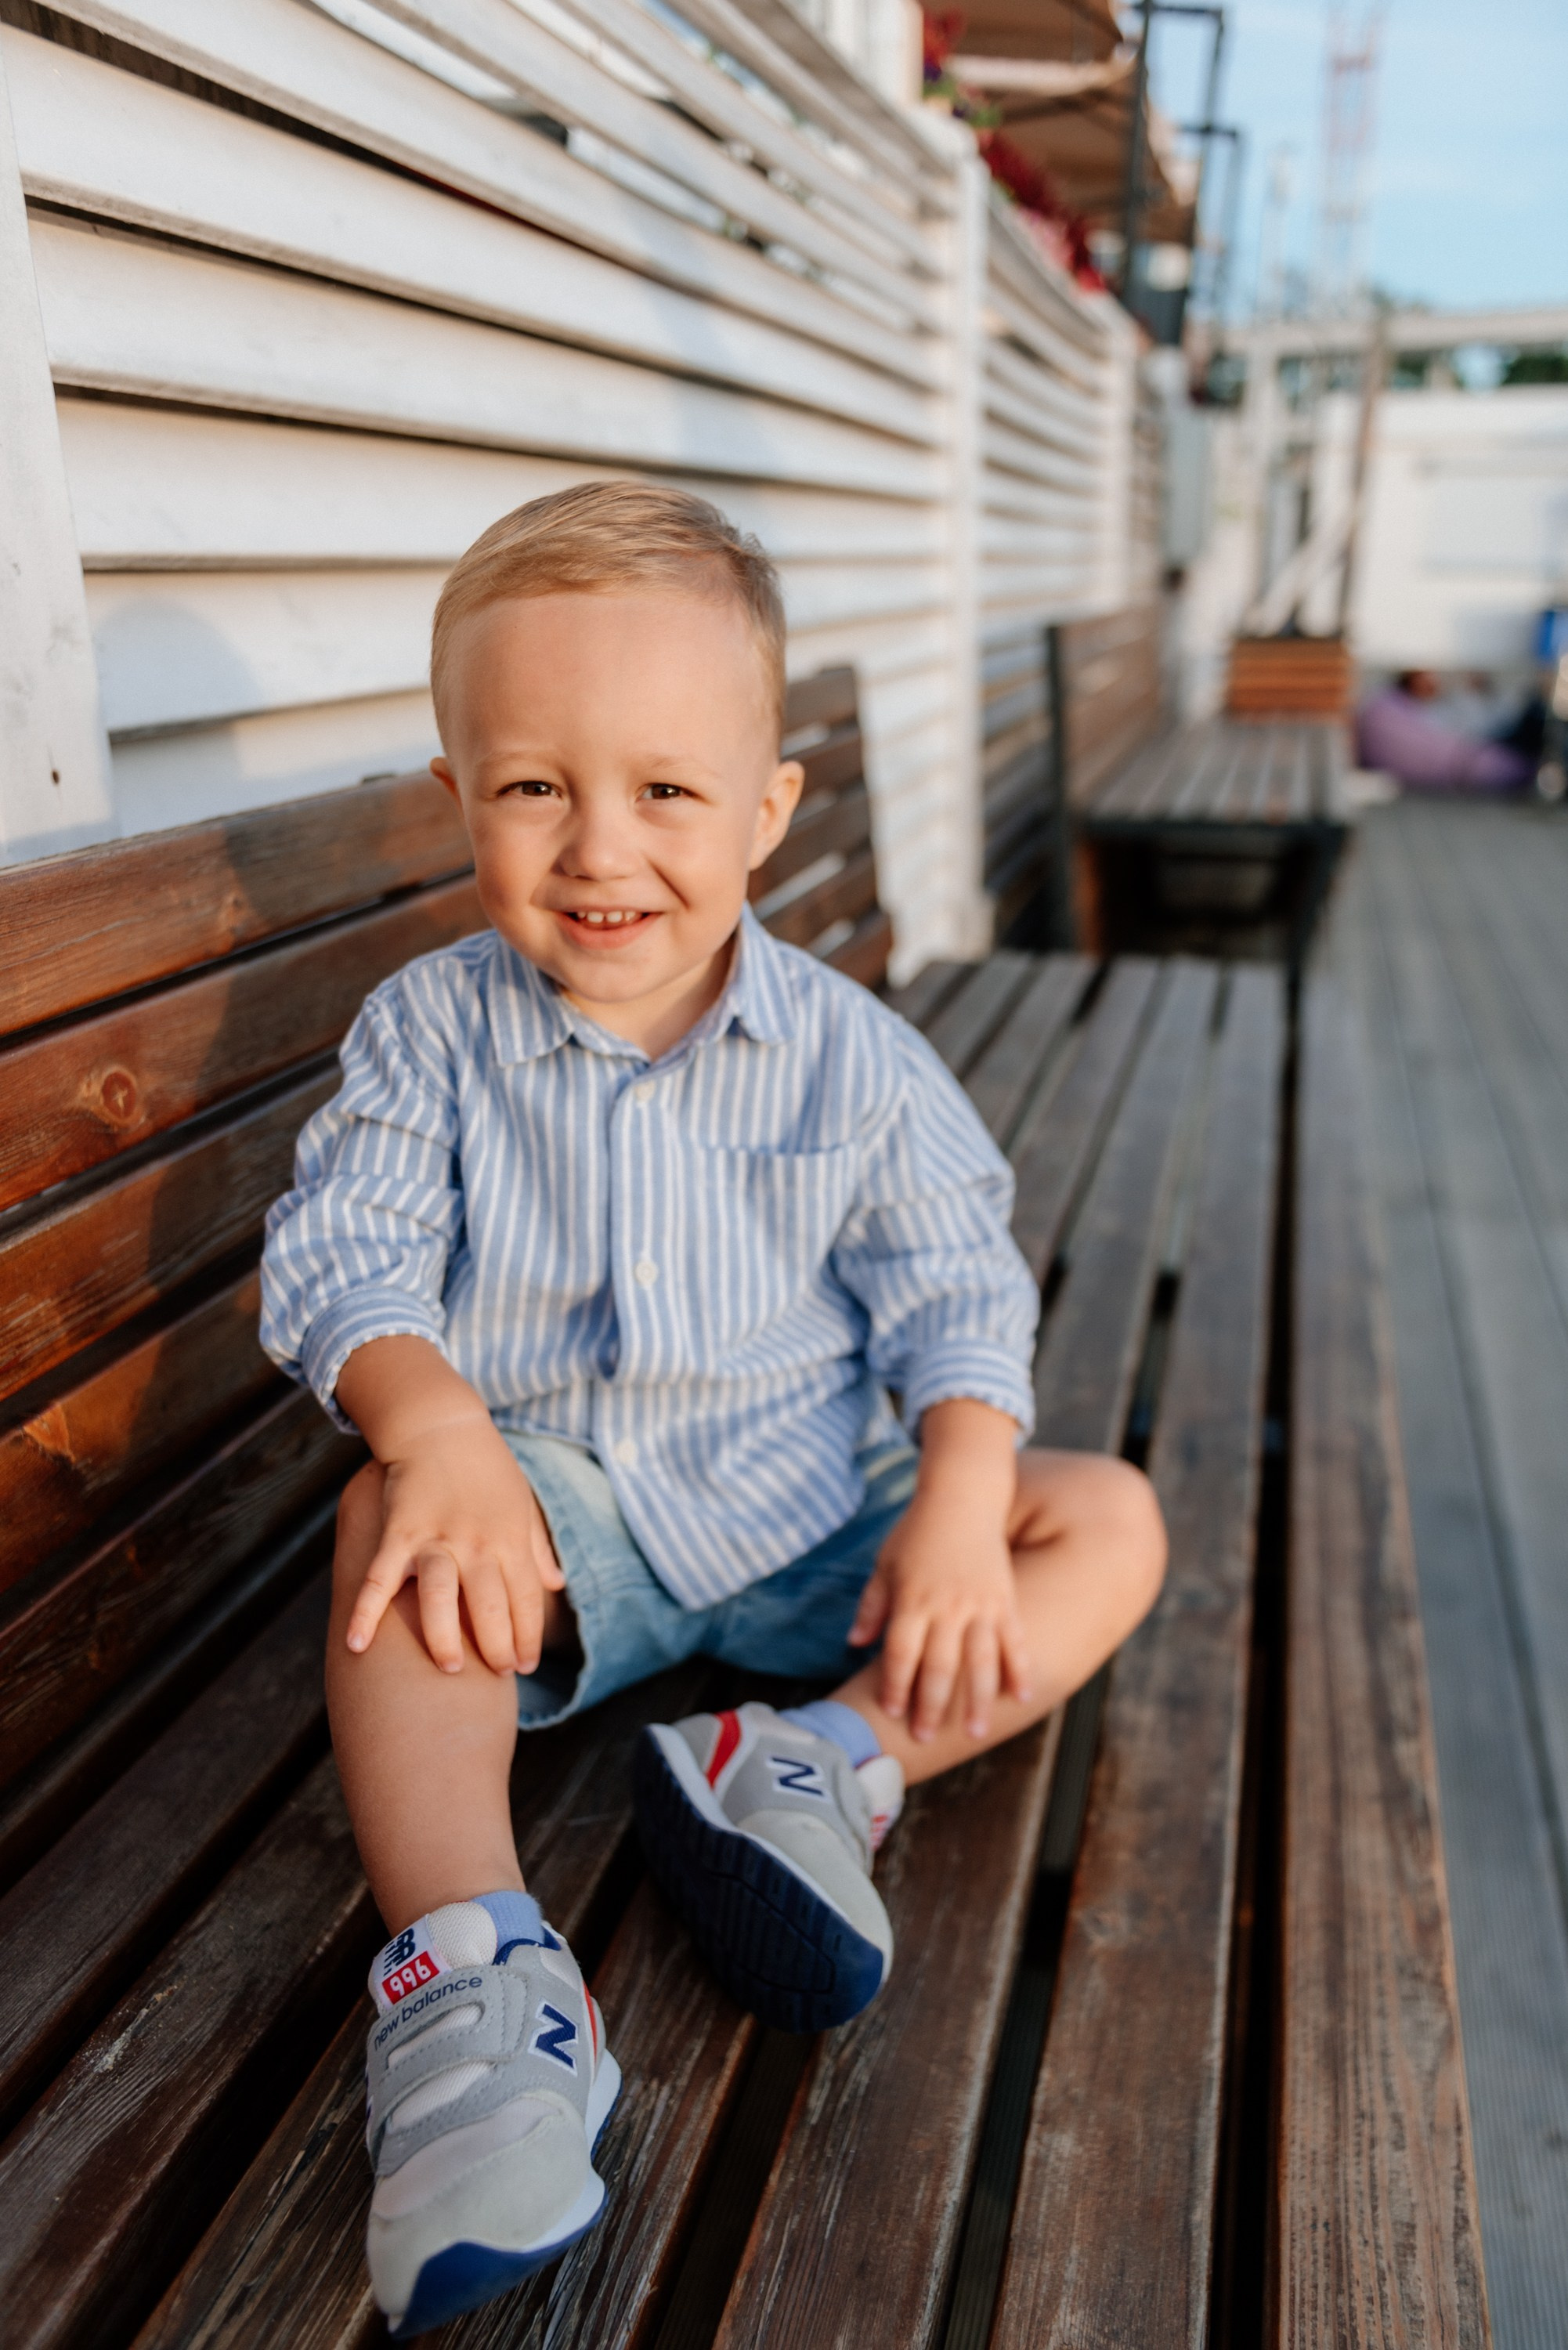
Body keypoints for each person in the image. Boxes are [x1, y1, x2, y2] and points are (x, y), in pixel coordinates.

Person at [260, 483, 1167, 2339]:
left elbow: (957, 1290)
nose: (601, 846)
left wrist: (955, 1486)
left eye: (667, 790)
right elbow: (341, 1252)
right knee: (385, 1536)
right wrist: (430, 1425)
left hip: (819, 1507)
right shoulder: (429, 1034)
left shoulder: (856, 1054)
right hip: (557, 1521)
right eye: (534, 787)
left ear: (765, 808)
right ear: (459, 797)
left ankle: (821, 1759)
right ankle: (480, 1976)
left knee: (1107, 1515)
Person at [1356, 668, 1536, 794]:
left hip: (1477, 761)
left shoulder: (1384, 706)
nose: (1437, 681)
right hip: (1482, 764)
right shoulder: (1388, 711)